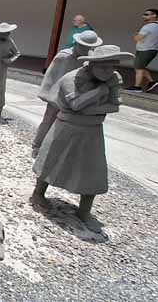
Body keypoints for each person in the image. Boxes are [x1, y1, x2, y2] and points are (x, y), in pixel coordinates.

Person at [32, 45, 133, 232]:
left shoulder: (113, 78)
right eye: (103, 67)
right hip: (66, 126)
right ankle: (38, 193)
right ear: (92, 64)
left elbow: (114, 106)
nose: (107, 72)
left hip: (93, 129)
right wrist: (99, 93)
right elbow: (76, 104)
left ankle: (84, 210)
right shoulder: (71, 78)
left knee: (93, 170)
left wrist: (91, 107)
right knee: (50, 161)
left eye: (111, 67)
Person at [32, 30, 102, 154]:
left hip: (75, 97)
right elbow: (51, 76)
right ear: (76, 44)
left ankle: (55, 149)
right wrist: (47, 94)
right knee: (48, 120)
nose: (86, 50)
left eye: (88, 47)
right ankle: (37, 145)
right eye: (83, 46)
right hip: (57, 96)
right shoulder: (63, 56)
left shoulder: (89, 58)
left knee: (65, 124)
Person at [126, 8, 158, 93]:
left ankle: (137, 87)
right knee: (140, 67)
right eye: (144, 14)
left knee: (138, 69)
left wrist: (135, 35)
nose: (144, 16)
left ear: (154, 15)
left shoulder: (147, 27)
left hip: (145, 50)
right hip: (153, 50)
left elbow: (137, 38)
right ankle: (152, 82)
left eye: (146, 14)